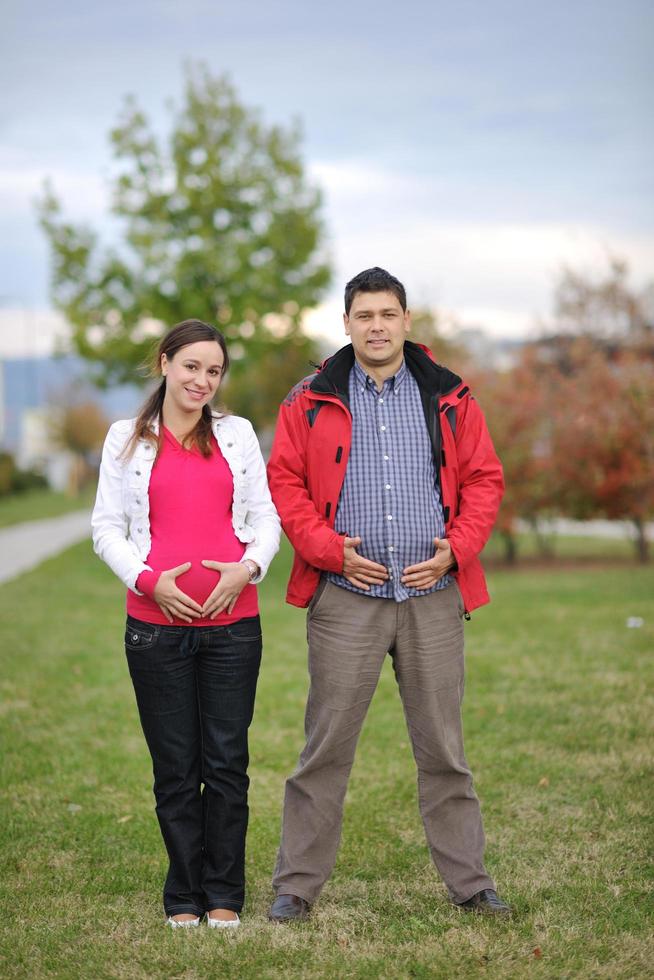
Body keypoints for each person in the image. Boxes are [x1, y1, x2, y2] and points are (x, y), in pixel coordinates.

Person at [266, 267, 510, 922]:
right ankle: (295, 886)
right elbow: (284, 481)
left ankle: (471, 884)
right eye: (364, 315)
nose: (376, 325)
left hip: (432, 595)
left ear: (406, 321)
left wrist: (456, 548)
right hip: (347, 594)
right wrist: (325, 549)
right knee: (325, 748)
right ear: (345, 323)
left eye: (388, 314)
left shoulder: (450, 395)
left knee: (444, 749)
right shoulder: (311, 398)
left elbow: (485, 479)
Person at [92, 319, 280, 929]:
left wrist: (246, 568)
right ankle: (183, 896)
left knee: (226, 764)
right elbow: (106, 529)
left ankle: (224, 895)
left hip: (234, 625)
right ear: (165, 363)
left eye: (214, 370)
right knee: (176, 769)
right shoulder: (127, 438)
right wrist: (151, 582)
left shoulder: (237, 434)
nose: (202, 380)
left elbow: (265, 517)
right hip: (154, 629)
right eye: (192, 366)